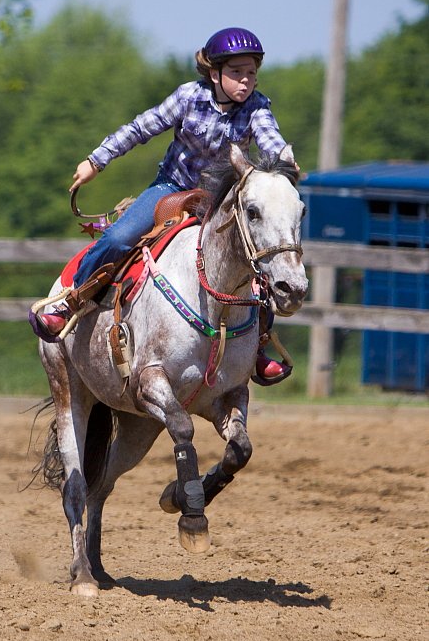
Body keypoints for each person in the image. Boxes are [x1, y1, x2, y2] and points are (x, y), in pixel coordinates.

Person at [35, 26, 295, 384]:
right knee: (117, 238)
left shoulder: (257, 108)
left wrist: (284, 160)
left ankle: (257, 345)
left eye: (251, 73)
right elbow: (142, 127)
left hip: (221, 201)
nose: (246, 81)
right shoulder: (188, 97)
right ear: (215, 73)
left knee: (259, 259)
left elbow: (270, 138)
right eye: (237, 72)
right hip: (172, 190)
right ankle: (71, 301)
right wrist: (95, 161)